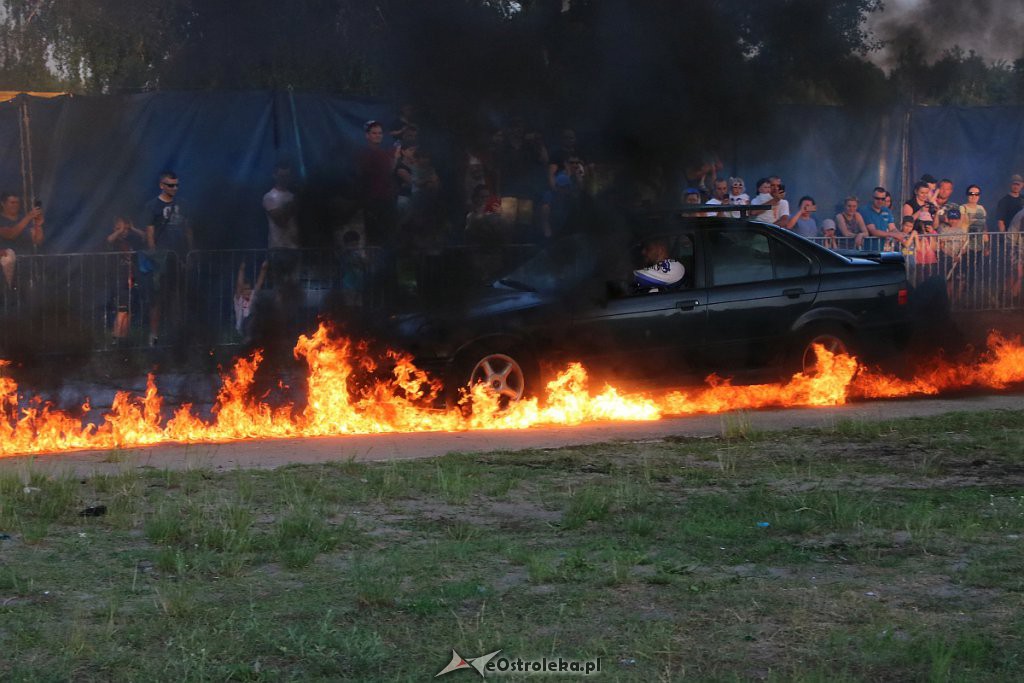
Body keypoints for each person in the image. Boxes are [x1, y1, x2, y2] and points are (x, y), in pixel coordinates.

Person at [144, 171, 192, 346]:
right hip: (162, 259)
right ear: (161, 185)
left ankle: (177, 337)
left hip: (179, 258)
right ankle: (154, 336)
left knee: (178, 298)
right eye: (171, 185)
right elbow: (150, 233)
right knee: (157, 300)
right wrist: (154, 256)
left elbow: (187, 229)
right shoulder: (152, 206)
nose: (175, 188)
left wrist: (190, 252)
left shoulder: (183, 204)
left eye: (177, 185)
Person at [102, 215, 146, 346]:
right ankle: (116, 338)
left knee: (129, 311)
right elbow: (108, 240)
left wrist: (132, 228)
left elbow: (145, 236)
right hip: (118, 280)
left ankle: (123, 339)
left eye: (125, 228)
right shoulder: (115, 242)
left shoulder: (131, 240)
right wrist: (120, 230)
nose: (124, 231)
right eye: (120, 228)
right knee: (122, 310)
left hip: (131, 279)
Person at [355, 120, 397, 248]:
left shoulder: (385, 153)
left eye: (379, 133)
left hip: (387, 199)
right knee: (375, 238)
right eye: (374, 133)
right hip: (372, 201)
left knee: (388, 237)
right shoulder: (363, 153)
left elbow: (390, 171)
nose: (378, 135)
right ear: (367, 135)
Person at [0, 192, 44, 291]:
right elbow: (10, 234)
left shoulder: (23, 218)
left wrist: (38, 225)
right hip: (4, 269)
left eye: (17, 203)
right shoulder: (3, 219)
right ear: (3, 204)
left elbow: (38, 241)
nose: (15, 205)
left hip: (25, 268)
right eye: (12, 202)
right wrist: (28, 217)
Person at [234, 260, 268, 338]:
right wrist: (241, 269)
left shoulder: (252, 295)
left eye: (248, 289)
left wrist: (264, 269)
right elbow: (239, 285)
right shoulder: (239, 298)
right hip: (241, 329)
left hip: (253, 328)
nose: (247, 291)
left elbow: (259, 283)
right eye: (245, 289)